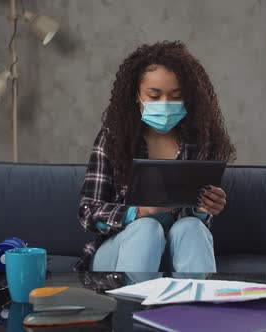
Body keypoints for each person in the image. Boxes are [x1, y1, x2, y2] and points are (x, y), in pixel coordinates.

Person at [76, 41, 235, 273]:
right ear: (137, 97)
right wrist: (139, 213)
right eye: (154, 95)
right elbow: (87, 211)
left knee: (193, 227)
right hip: (121, 248)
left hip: (177, 250)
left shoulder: (200, 140)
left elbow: (195, 221)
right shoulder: (114, 137)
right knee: (147, 229)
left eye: (175, 96)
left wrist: (205, 208)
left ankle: (198, 305)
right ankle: (134, 306)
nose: (165, 104)